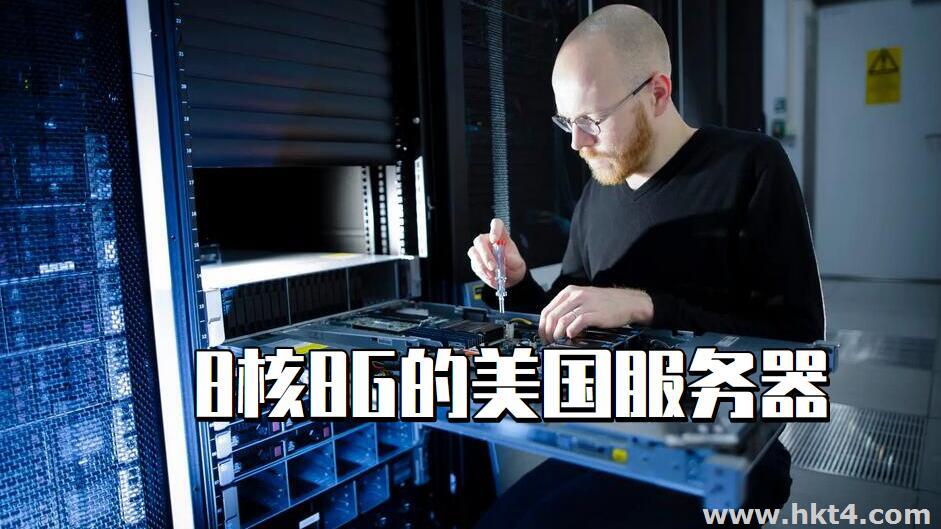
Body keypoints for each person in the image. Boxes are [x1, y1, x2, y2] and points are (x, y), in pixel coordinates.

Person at [466, 5, 825, 528]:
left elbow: (798, 339)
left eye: (591, 120)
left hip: (726, 450)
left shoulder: (750, 166)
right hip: (619, 437)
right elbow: (565, 321)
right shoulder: (598, 194)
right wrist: (518, 284)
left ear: (657, 92)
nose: (577, 142)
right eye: (567, 121)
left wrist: (646, 306)